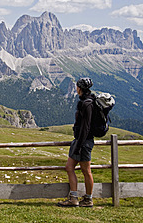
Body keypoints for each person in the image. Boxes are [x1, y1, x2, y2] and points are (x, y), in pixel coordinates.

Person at [57, 77, 95, 208]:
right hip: (80, 141)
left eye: (77, 86)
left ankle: (87, 199)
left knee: (86, 170)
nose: (76, 88)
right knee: (70, 168)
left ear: (80, 88)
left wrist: (79, 145)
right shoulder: (87, 101)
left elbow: (86, 127)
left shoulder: (87, 104)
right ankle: (74, 198)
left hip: (83, 142)